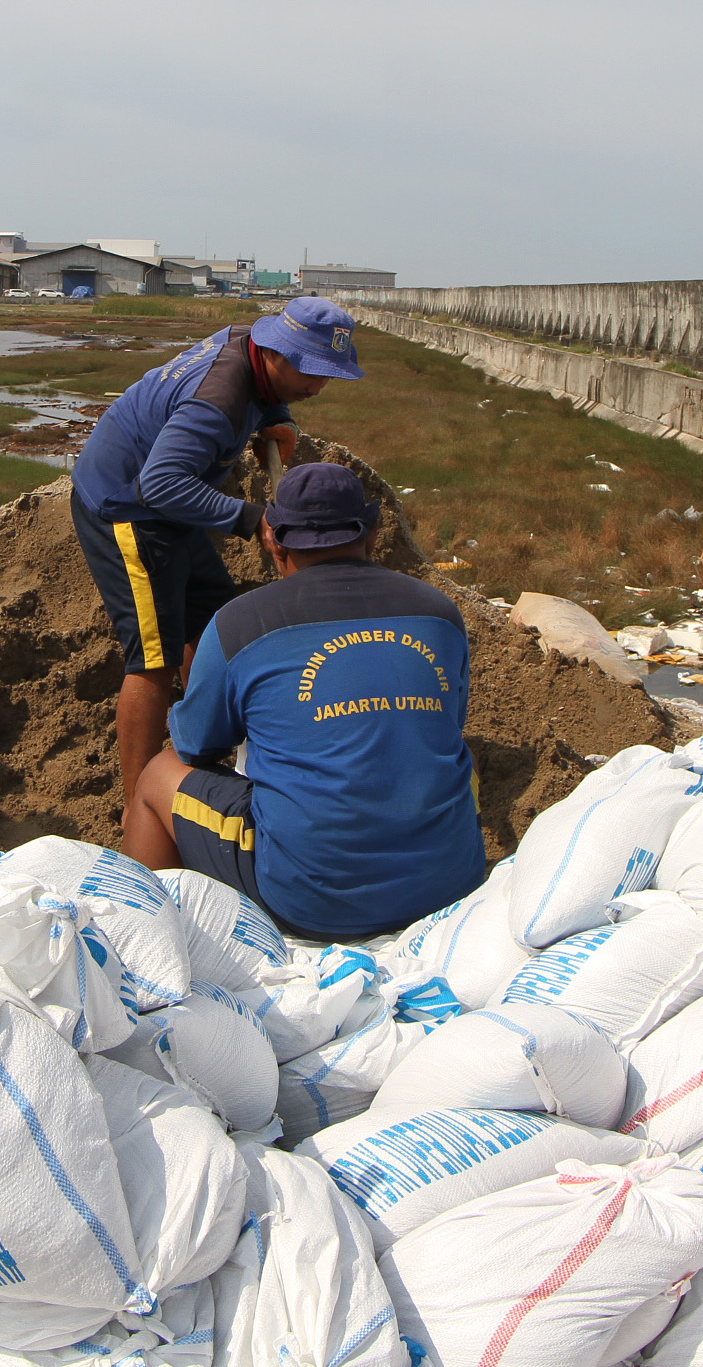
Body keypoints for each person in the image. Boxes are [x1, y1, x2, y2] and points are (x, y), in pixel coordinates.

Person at [119, 463, 482, 940]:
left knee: (156, 776)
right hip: (449, 887)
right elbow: (447, 723)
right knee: (456, 756)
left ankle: (143, 945)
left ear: (274, 540)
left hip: (310, 901)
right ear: (372, 535)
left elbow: (196, 747)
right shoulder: (439, 613)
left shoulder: (239, 625)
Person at [71, 296, 363, 800]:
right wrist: (253, 519)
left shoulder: (246, 343)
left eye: (328, 374)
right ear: (275, 353)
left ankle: (205, 744)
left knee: (212, 626)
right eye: (309, 371)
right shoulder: (219, 399)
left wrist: (279, 417)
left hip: (170, 507)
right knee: (154, 661)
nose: (319, 385)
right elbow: (159, 485)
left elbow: (262, 391)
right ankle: (137, 804)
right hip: (127, 509)